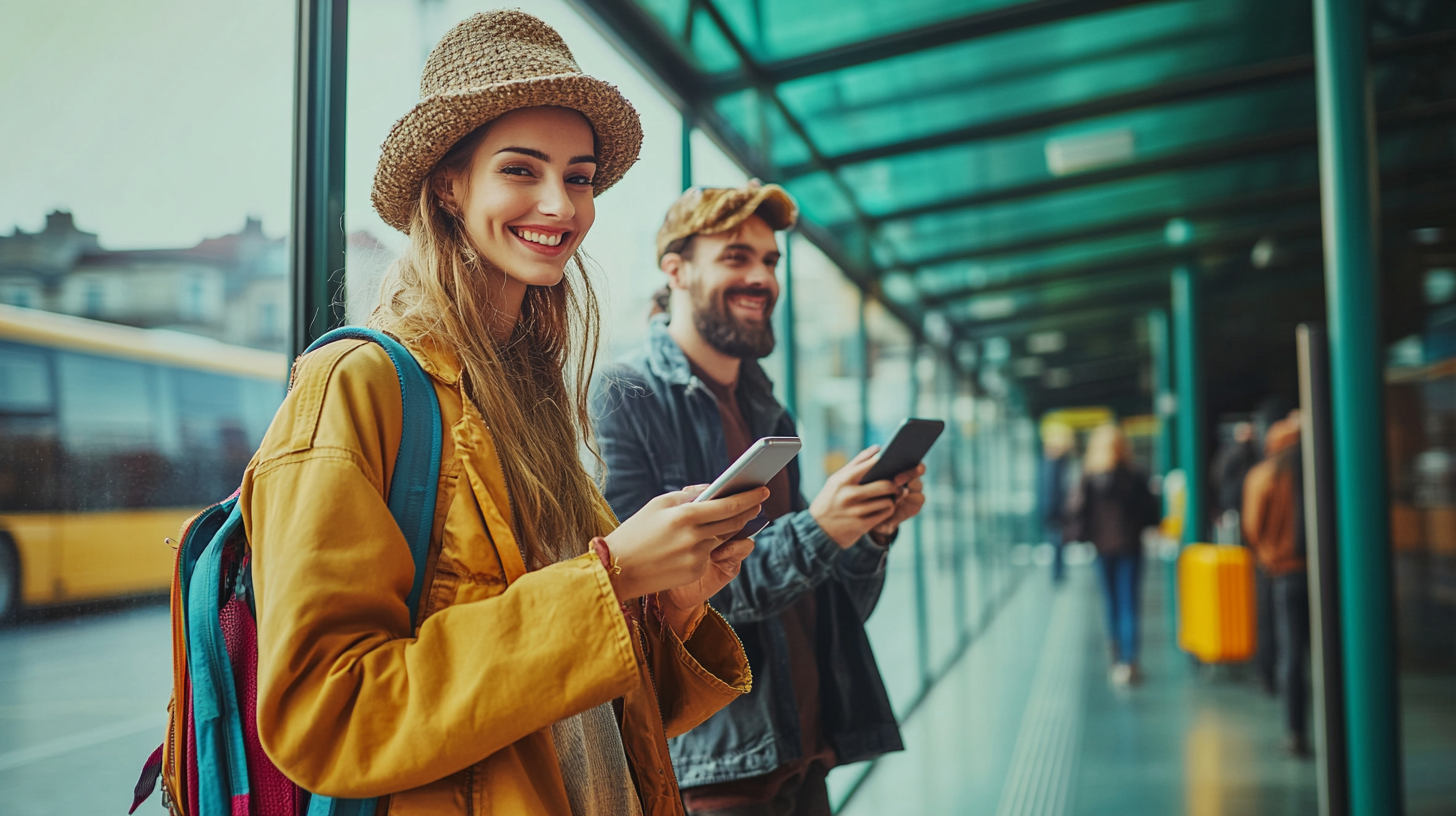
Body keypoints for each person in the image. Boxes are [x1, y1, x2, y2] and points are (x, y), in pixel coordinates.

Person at [239, 12, 764, 814]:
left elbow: (590, 715)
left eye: (580, 177)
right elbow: (329, 714)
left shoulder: (533, 400)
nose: (560, 204)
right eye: (521, 169)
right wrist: (612, 577)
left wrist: (674, 602)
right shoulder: (357, 385)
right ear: (448, 185)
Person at [591, 182, 923, 816]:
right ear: (676, 271)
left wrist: (868, 530)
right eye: (735, 257)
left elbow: (826, 601)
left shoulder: (765, 405)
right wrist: (819, 529)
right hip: (719, 776)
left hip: (805, 750)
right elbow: (655, 607)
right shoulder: (623, 398)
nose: (762, 278)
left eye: (770, 260)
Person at [1065, 424, 1160, 686]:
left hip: (1102, 548)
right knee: (1130, 603)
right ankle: (1130, 660)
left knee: (1111, 602)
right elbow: (1150, 513)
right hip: (1130, 547)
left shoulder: (1089, 477)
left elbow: (1077, 511)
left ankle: (1116, 657)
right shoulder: (1135, 475)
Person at [1243, 414, 1311, 758]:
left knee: (1291, 654)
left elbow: (1253, 527)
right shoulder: (1317, 471)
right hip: (1320, 574)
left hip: (1283, 573)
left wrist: (1268, 556)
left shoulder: (1264, 474)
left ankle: (1296, 731)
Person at [1210, 420, 1260, 542]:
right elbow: (1219, 477)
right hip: (1233, 504)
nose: (1251, 436)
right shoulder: (1233, 453)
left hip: (1239, 502)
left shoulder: (1251, 453)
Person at [1039, 423, 1076, 585]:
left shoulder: (1056, 461)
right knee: (1057, 542)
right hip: (1056, 511)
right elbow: (1052, 489)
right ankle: (1057, 574)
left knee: (1058, 542)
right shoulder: (1053, 463)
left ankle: (1059, 573)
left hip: (1056, 510)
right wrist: (1054, 512)